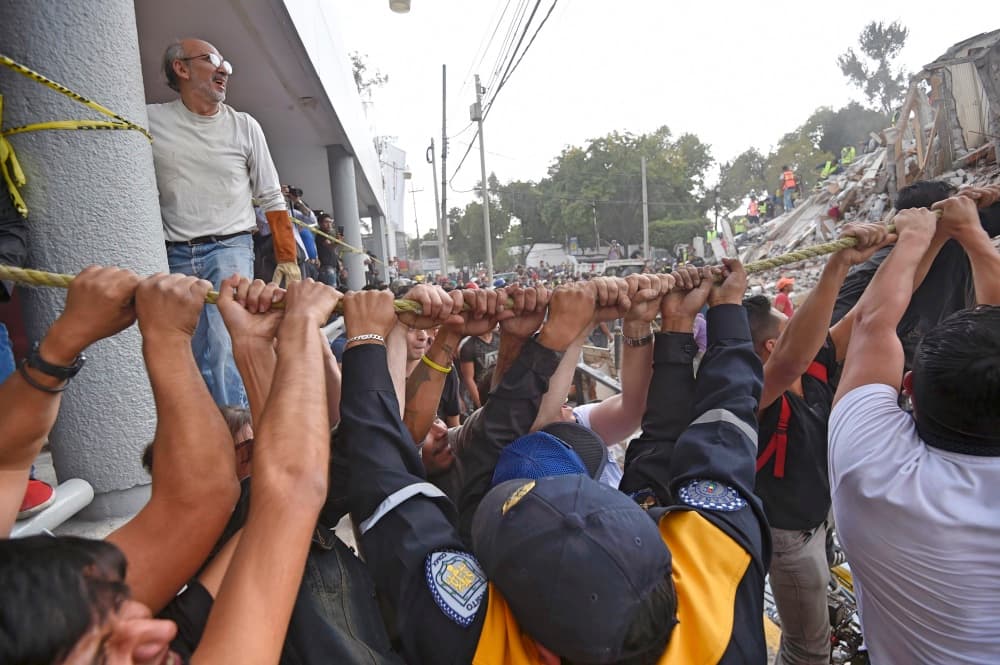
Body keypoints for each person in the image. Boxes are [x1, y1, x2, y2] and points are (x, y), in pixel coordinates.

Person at [343, 263, 770, 664]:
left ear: (542, 649)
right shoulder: (718, 566)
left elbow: (389, 487)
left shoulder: (478, 643)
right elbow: (708, 427)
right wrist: (680, 325)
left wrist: (368, 340)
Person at [829, 198, 1000, 663]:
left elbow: (869, 327)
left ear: (909, 390)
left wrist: (917, 239)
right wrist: (973, 237)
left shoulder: (873, 471)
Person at [744, 223, 892, 665]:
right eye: (795, 329)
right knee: (805, 649)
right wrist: (838, 264)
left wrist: (920, 244)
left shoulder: (814, 371)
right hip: (790, 538)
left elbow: (867, 313)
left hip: (818, 519)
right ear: (772, 346)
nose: (816, 336)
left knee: (817, 627)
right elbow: (793, 357)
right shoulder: (757, 396)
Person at [147, 38, 300, 407]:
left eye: (226, 63)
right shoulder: (148, 119)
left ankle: (238, 438)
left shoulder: (245, 126)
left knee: (223, 345)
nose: (224, 70)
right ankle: (208, 435)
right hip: (172, 253)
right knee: (190, 349)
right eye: (212, 60)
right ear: (180, 69)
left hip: (231, 247)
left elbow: (271, 196)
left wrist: (287, 257)